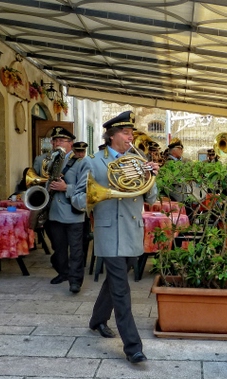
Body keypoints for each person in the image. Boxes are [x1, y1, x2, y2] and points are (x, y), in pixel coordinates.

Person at [72, 111, 159, 364]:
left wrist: (151, 176)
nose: (131, 137)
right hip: (109, 232)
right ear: (112, 136)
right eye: (125, 133)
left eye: (131, 133)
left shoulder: (138, 160)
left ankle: (97, 320)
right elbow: (77, 199)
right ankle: (133, 347)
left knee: (115, 280)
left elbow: (151, 198)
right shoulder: (93, 162)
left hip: (132, 230)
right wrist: (97, 196)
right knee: (121, 289)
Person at [46, 127, 86, 294]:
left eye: (61, 141)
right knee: (59, 248)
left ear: (71, 143)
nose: (57, 144)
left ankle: (75, 281)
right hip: (54, 212)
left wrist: (66, 188)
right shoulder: (51, 161)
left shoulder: (80, 162)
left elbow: (86, 188)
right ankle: (63, 273)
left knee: (76, 250)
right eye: (55, 140)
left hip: (72, 212)